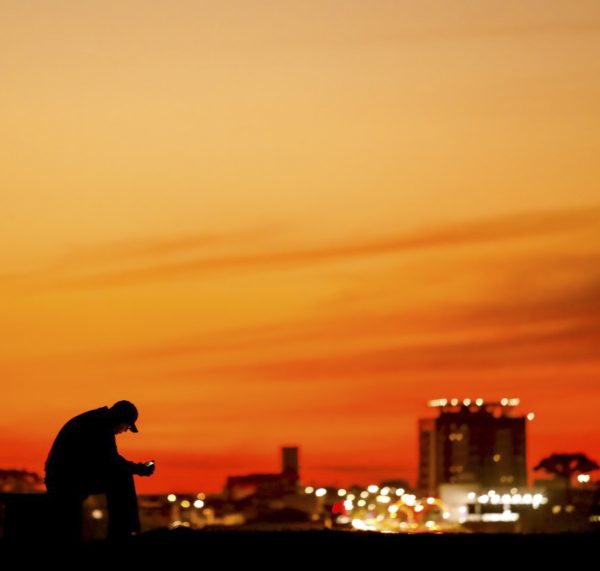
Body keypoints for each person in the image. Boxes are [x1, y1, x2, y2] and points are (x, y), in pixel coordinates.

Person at [44, 400, 155, 541]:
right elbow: (111, 461)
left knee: (121, 476)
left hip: (65, 476)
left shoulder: (97, 420)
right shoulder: (101, 424)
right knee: (122, 478)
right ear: (120, 419)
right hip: (65, 480)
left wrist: (135, 468)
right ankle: (123, 534)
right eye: (127, 426)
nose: (125, 430)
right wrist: (139, 469)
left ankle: (124, 532)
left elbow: (107, 461)